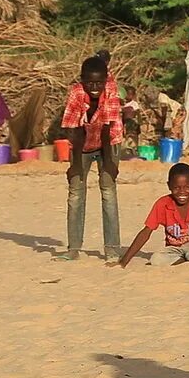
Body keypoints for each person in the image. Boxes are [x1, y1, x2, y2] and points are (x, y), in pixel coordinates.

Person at [58, 55, 123, 261]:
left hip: (109, 141)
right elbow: (74, 130)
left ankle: (112, 249)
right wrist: (75, 165)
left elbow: (106, 128)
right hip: (82, 143)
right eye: (89, 83)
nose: (94, 87)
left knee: (108, 191)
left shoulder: (111, 91)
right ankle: (73, 248)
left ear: (106, 80)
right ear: (82, 80)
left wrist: (109, 164)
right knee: (76, 193)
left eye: (99, 83)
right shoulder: (76, 93)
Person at [117, 162, 189, 268]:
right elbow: (146, 233)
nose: (182, 192)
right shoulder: (162, 204)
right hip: (175, 248)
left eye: (187, 187)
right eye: (176, 188)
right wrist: (123, 262)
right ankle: (182, 259)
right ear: (169, 186)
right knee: (155, 260)